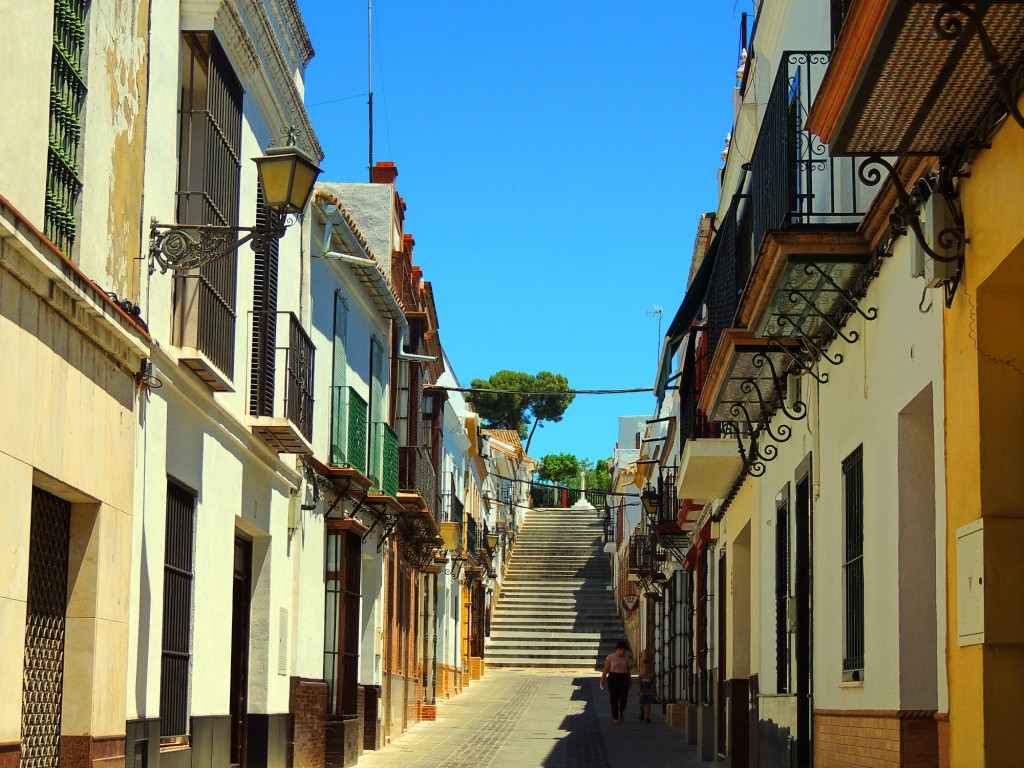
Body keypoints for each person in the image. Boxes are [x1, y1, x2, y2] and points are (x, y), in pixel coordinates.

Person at [599, 640, 631, 724]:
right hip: (613, 677)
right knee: (614, 698)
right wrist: (602, 679)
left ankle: (621, 710)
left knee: (624, 697)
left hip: (623, 677)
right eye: (623, 650)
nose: (624, 652)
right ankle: (615, 717)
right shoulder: (610, 657)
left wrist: (629, 679)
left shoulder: (626, 658)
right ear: (619, 649)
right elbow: (606, 668)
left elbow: (628, 669)